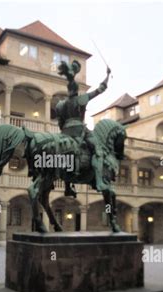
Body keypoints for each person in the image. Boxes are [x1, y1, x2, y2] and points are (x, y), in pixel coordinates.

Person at [56, 60, 111, 196]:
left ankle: (68, 186)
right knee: (98, 151)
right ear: (76, 89)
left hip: (65, 132)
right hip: (80, 130)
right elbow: (101, 89)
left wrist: (64, 131)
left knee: (66, 152)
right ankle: (98, 181)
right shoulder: (82, 99)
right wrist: (108, 75)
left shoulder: (61, 104)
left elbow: (60, 122)